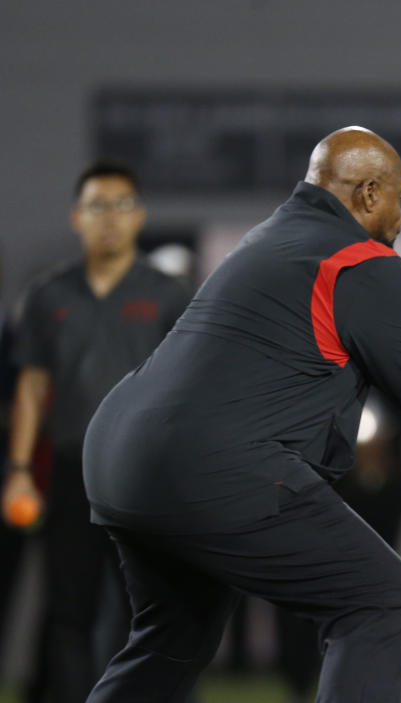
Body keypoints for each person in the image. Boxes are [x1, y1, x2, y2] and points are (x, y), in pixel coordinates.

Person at [81, 126, 401, 703]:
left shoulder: (277, 239)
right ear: (370, 193)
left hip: (118, 456)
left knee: (172, 639)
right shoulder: (362, 259)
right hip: (212, 466)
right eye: (398, 196)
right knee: (378, 600)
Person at [0, 161, 191, 702]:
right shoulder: (47, 297)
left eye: (122, 205)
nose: (111, 218)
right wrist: (17, 473)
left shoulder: (167, 296)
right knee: (68, 611)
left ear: (140, 217)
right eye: (98, 206)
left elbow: (183, 391)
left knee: (153, 611)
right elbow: (32, 391)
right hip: (68, 469)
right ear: (77, 218)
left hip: (143, 477)